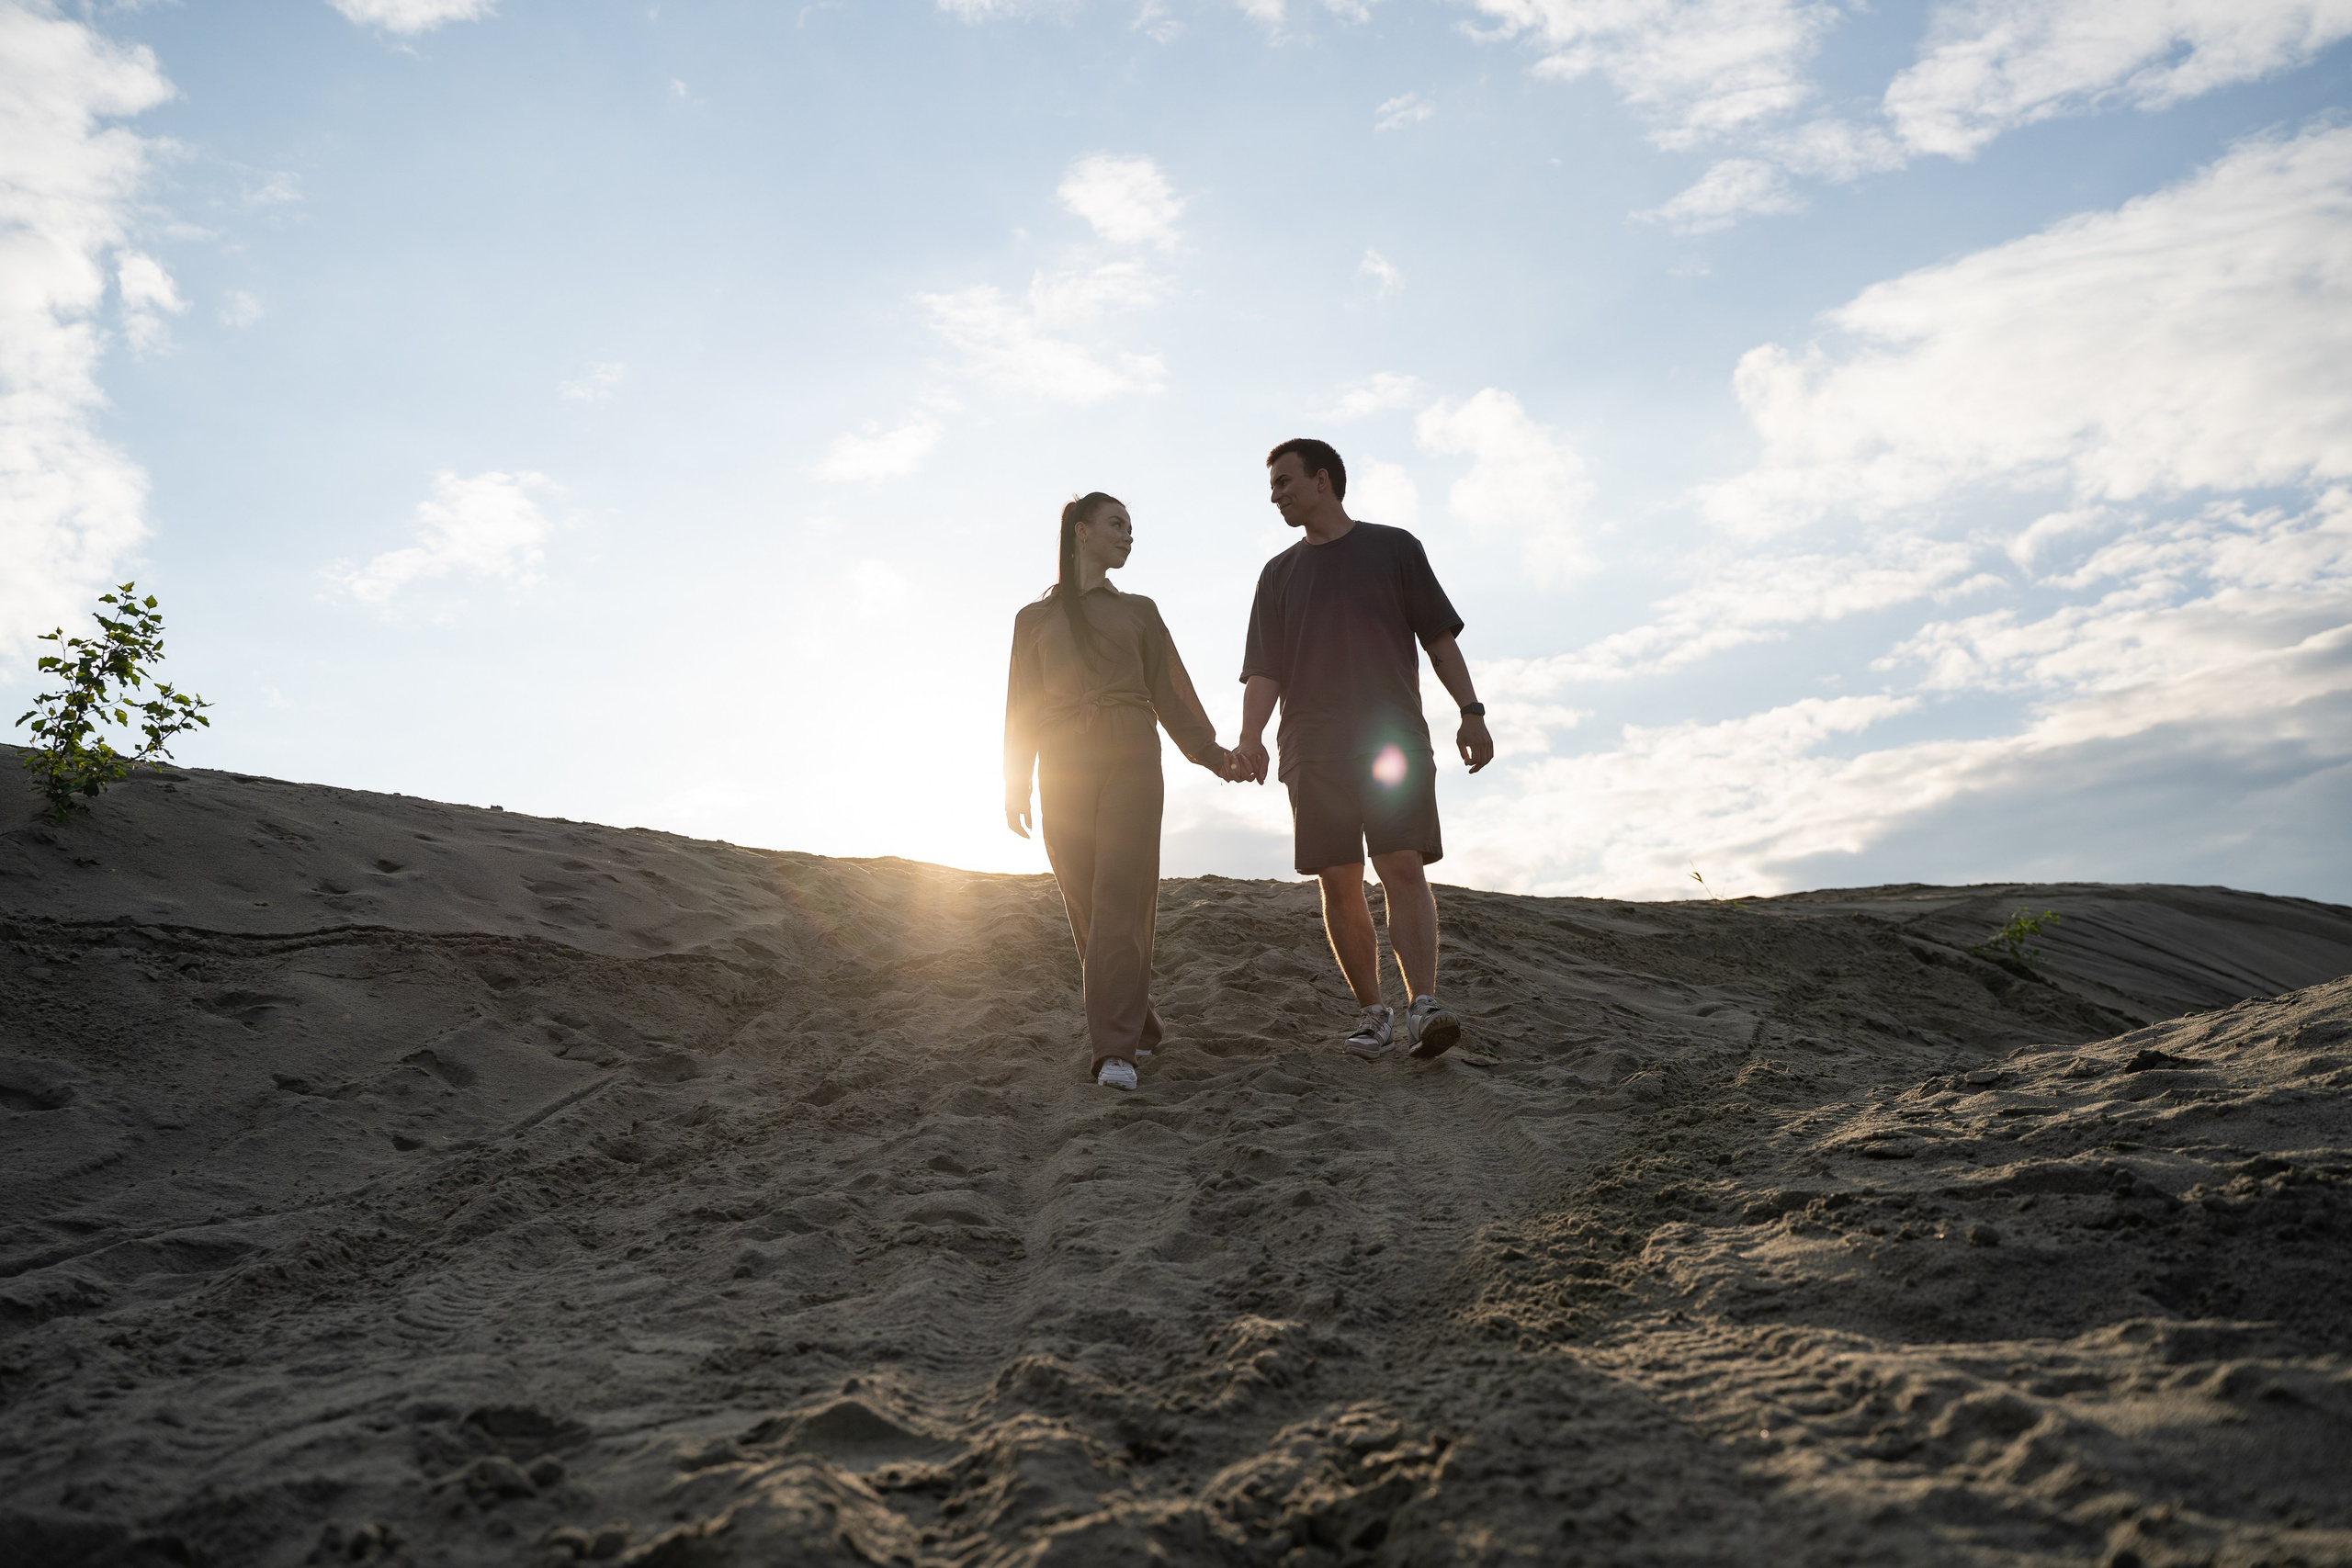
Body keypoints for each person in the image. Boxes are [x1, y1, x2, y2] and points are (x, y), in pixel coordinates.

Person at [1229, 438, 1492, 1061]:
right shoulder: (1278, 574)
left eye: (1285, 481)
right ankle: (1373, 1012)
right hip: (1312, 746)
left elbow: (1438, 636)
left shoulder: (1394, 548)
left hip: (1391, 738)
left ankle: (1423, 1006)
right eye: (1271, 487)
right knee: (1339, 878)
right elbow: (1264, 669)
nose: (1276, 495)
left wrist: (1471, 710)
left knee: (1402, 863)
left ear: (1324, 480)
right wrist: (1250, 737)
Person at [1005, 491, 1235, 1090]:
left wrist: (1213, 755)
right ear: (1081, 533)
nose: (1128, 535)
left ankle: (1115, 1051)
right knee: (1086, 903)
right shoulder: (1033, 620)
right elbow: (1021, 706)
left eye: (1132, 527)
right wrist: (1015, 780)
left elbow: (1171, 691)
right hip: (1062, 764)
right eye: (1117, 524)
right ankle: (1143, 1026)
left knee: (1117, 899)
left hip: (1131, 756)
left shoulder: (1140, 611)